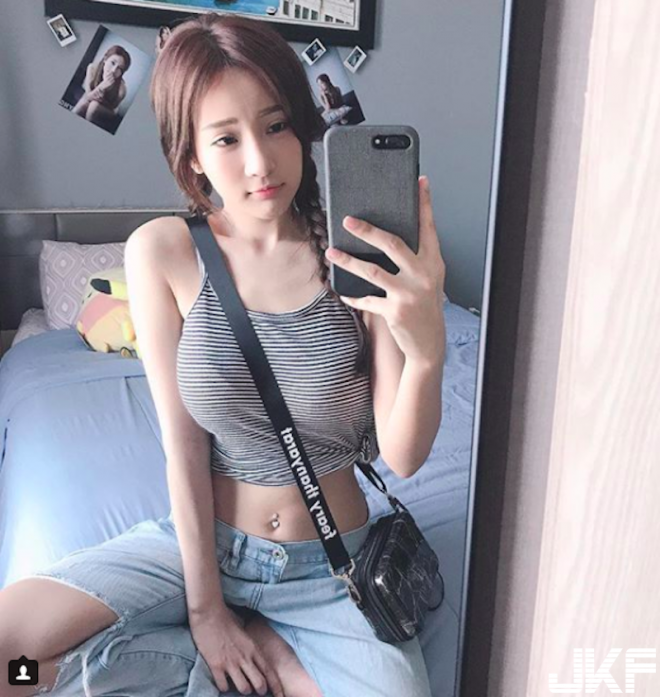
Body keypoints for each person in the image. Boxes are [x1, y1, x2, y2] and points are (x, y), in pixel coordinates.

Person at [0, 13, 447, 697]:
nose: (260, 163)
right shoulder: (163, 252)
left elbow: (404, 455)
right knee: (11, 664)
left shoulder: (357, 255)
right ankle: (189, 662)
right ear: (192, 157)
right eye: (227, 139)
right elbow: (183, 448)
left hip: (333, 567)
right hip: (201, 547)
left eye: (276, 126)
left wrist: (426, 348)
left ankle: (252, 654)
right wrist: (207, 613)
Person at [72, 45, 131, 129]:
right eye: (112, 63)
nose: (113, 70)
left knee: (94, 106)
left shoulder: (122, 89)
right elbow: (88, 96)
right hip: (91, 98)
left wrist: (104, 90)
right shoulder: (92, 68)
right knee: (82, 103)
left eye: (120, 69)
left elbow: (113, 107)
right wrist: (103, 85)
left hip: (109, 109)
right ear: (105, 59)